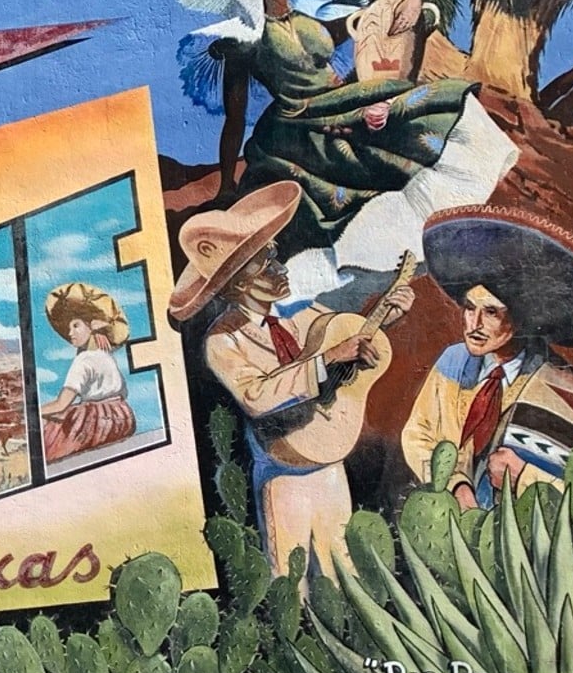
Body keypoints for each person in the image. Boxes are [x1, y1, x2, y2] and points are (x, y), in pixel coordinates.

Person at [172, 0, 518, 303]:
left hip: (340, 101)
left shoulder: (303, 18)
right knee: (398, 115)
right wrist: (226, 184)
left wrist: (414, 2)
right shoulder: (246, 37)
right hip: (300, 122)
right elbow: (235, 117)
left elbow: (368, 21)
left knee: (431, 102)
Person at [176, 182, 412, 577]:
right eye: (266, 265)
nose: (280, 268)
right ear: (239, 283)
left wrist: (384, 319)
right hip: (283, 470)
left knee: (341, 570)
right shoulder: (223, 340)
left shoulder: (299, 312)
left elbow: (340, 335)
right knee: (291, 574)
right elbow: (257, 394)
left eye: (275, 258)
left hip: (328, 457)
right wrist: (327, 360)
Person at [402, 206, 573, 509]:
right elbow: (418, 433)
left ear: (521, 318)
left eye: (491, 312)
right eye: (470, 308)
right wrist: (455, 485)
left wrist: (523, 478)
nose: (474, 325)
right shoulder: (453, 361)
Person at [39, 282, 137, 463]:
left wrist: (33, 413)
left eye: (76, 325)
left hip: (96, 423)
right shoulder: (105, 355)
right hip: (123, 417)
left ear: (91, 326)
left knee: (45, 434)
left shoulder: (83, 360)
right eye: (69, 329)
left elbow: (61, 404)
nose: (70, 333)